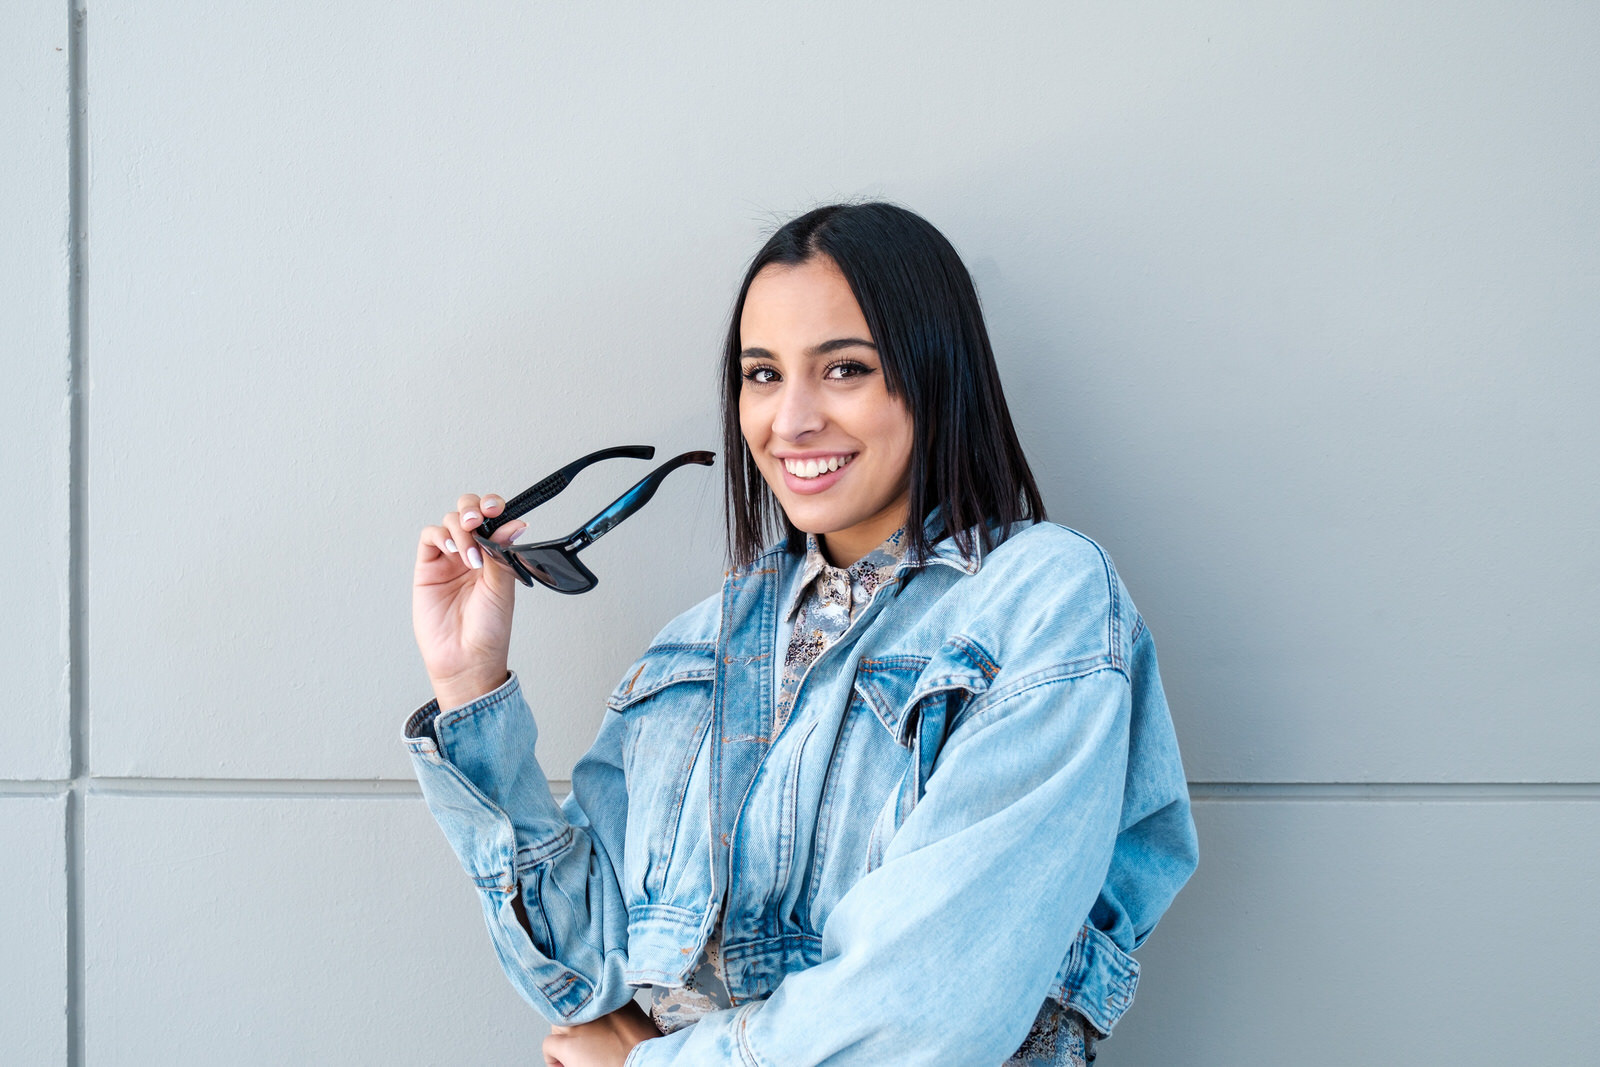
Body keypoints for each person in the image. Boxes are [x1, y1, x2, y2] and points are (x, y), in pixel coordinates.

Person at [406, 202, 1199, 1066]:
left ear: (935, 373)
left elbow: (924, 1006)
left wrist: (654, 1061)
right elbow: (584, 976)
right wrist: (471, 683)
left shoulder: (1043, 603)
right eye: (762, 374)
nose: (790, 420)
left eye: (845, 369)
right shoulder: (693, 649)